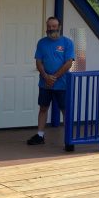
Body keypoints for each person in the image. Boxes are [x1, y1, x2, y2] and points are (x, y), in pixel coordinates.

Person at [27, 16, 75, 145]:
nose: (51, 29)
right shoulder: (41, 43)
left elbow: (69, 63)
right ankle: (40, 135)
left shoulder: (68, 42)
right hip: (45, 83)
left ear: (59, 27)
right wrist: (46, 77)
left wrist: (54, 77)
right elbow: (38, 62)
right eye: (49, 26)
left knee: (65, 110)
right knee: (43, 108)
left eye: (54, 26)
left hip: (62, 84)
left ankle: (68, 139)